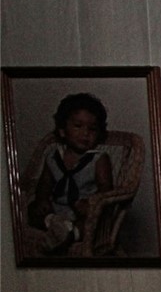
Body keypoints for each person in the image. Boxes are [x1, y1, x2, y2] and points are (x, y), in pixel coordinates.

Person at [26, 92, 118, 255]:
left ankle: (71, 233)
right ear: (62, 130)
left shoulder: (98, 159)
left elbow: (106, 189)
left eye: (92, 129)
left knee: (91, 223)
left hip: (81, 210)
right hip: (56, 209)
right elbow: (44, 184)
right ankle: (54, 225)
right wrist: (42, 200)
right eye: (78, 126)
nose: (85, 133)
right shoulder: (53, 156)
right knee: (32, 210)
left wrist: (90, 203)